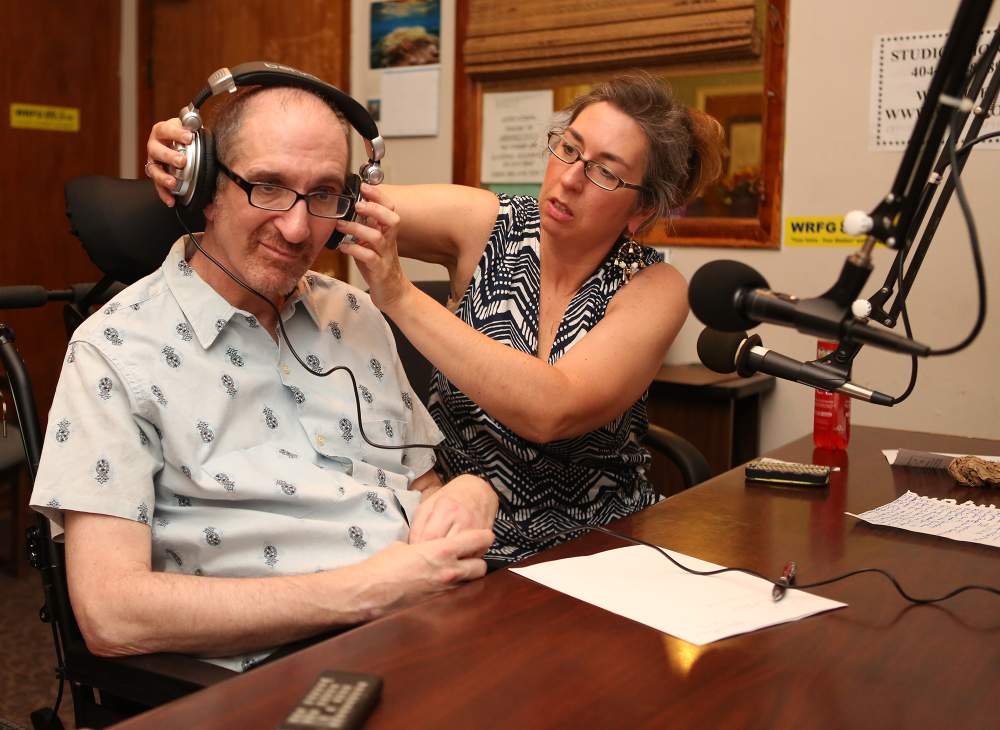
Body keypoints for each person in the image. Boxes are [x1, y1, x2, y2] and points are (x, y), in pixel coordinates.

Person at [145, 70, 724, 565]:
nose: (569, 176)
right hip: (458, 534)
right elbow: (322, 194)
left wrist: (397, 294)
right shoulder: (487, 222)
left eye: (604, 171)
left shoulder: (654, 286)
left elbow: (553, 409)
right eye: (567, 148)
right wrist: (200, 160)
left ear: (642, 207)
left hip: (597, 548)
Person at [29, 84, 497, 672]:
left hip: (436, 625)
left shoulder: (354, 313)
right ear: (205, 189)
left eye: (323, 194)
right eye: (268, 187)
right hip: (287, 671)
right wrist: (364, 591)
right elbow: (111, 613)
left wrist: (467, 494)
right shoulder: (115, 351)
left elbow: (421, 485)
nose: (298, 229)